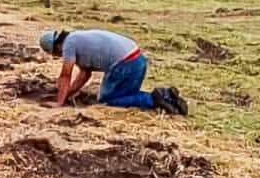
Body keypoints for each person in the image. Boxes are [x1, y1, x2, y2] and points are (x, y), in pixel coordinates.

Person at [39, 29, 188, 115]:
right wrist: (67, 95)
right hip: (138, 60)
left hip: (124, 64)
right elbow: (84, 75)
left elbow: (65, 75)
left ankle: (153, 100)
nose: (59, 56)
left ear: (56, 47)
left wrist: (59, 103)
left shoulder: (69, 45)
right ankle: (168, 97)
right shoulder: (79, 39)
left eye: (55, 54)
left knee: (107, 100)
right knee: (127, 97)